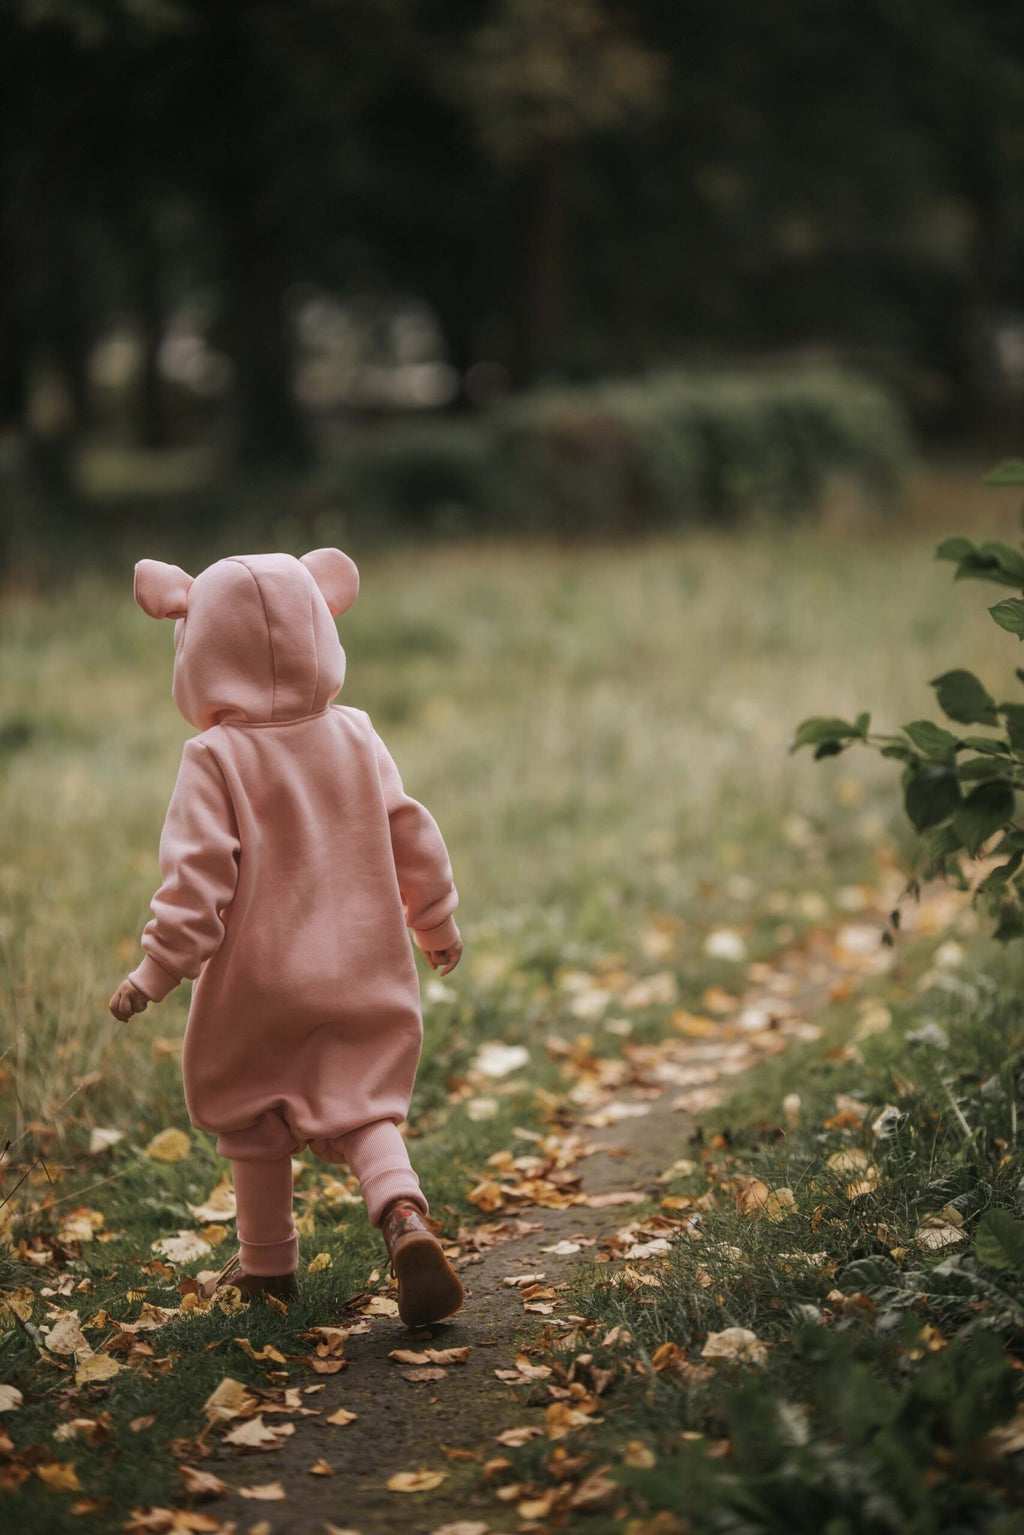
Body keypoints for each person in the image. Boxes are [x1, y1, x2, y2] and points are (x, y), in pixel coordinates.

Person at [109, 549, 464, 1328]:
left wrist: (156, 970)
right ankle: (403, 1213)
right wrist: (433, 919)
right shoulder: (356, 734)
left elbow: (198, 879)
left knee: (253, 1118)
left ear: (198, 645)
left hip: (257, 983)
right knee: (364, 1106)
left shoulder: (214, 758)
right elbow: (412, 831)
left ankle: (268, 1268)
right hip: (363, 968)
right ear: (320, 626)